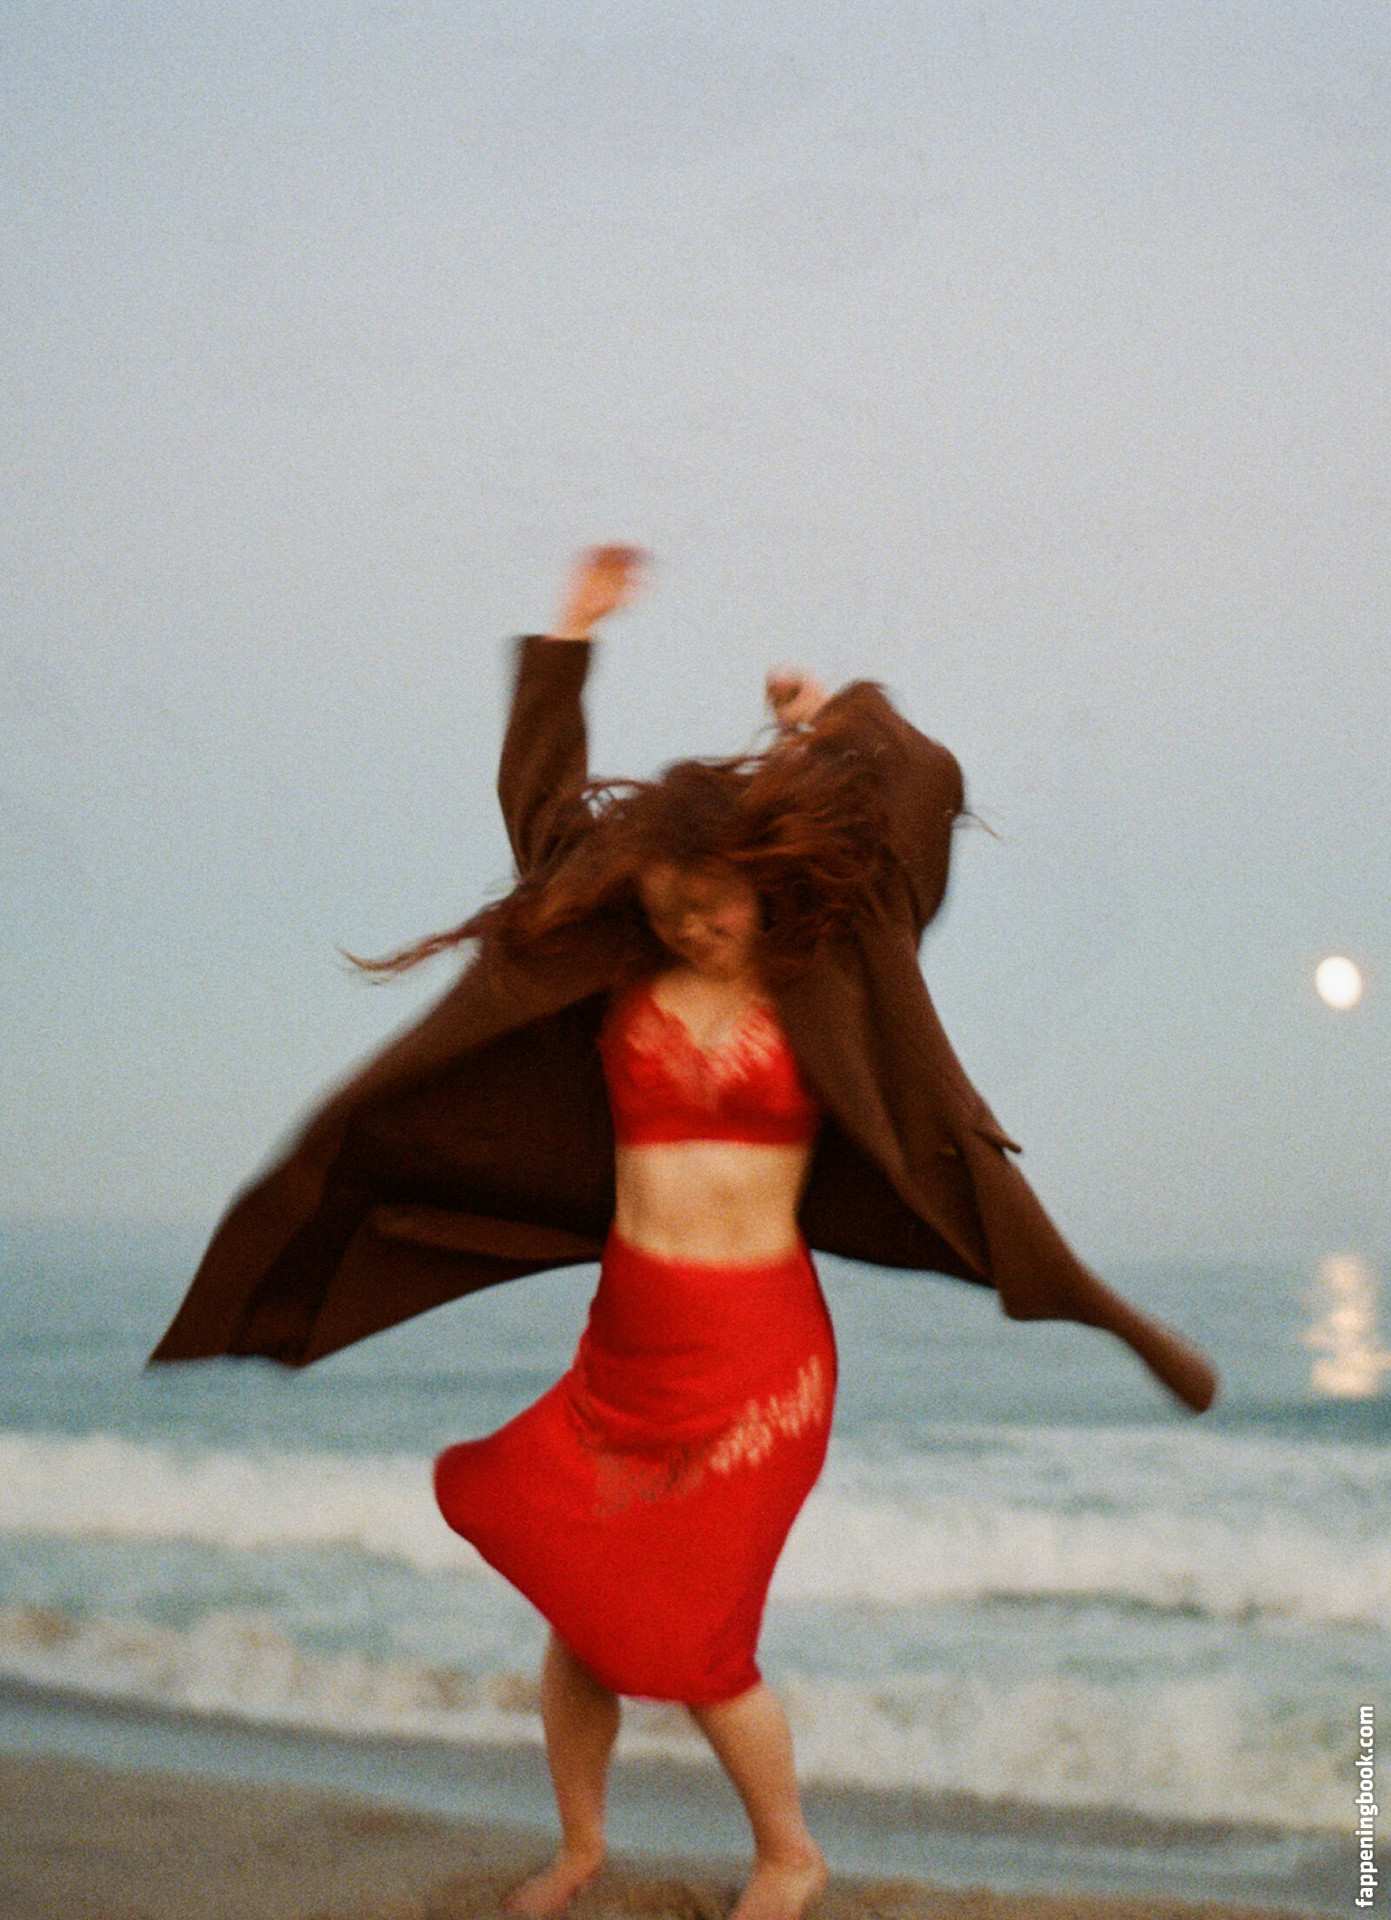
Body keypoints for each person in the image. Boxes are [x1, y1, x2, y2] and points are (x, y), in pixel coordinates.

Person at [151, 545, 1217, 1920]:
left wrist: (819, 723)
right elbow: (546, 814)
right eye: (668, 909)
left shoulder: (832, 958)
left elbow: (913, 792)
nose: (693, 927)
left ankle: (790, 1854)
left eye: (710, 905)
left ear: (758, 878)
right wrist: (567, 637)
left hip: (761, 1358)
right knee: (582, 1610)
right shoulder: (618, 962)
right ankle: (580, 1848)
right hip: (629, 1349)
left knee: (703, 1643)